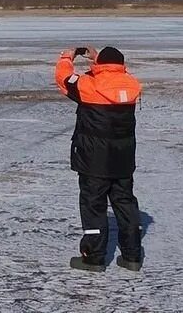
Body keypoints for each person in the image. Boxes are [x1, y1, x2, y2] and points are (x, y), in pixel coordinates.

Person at [55, 45, 144, 272]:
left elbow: (64, 79)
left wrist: (67, 56)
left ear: (101, 65)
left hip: (94, 160)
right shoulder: (131, 84)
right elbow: (117, 76)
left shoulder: (88, 86)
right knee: (125, 204)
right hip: (123, 160)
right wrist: (99, 60)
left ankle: (93, 258)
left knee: (93, 207)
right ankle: (132, 256)